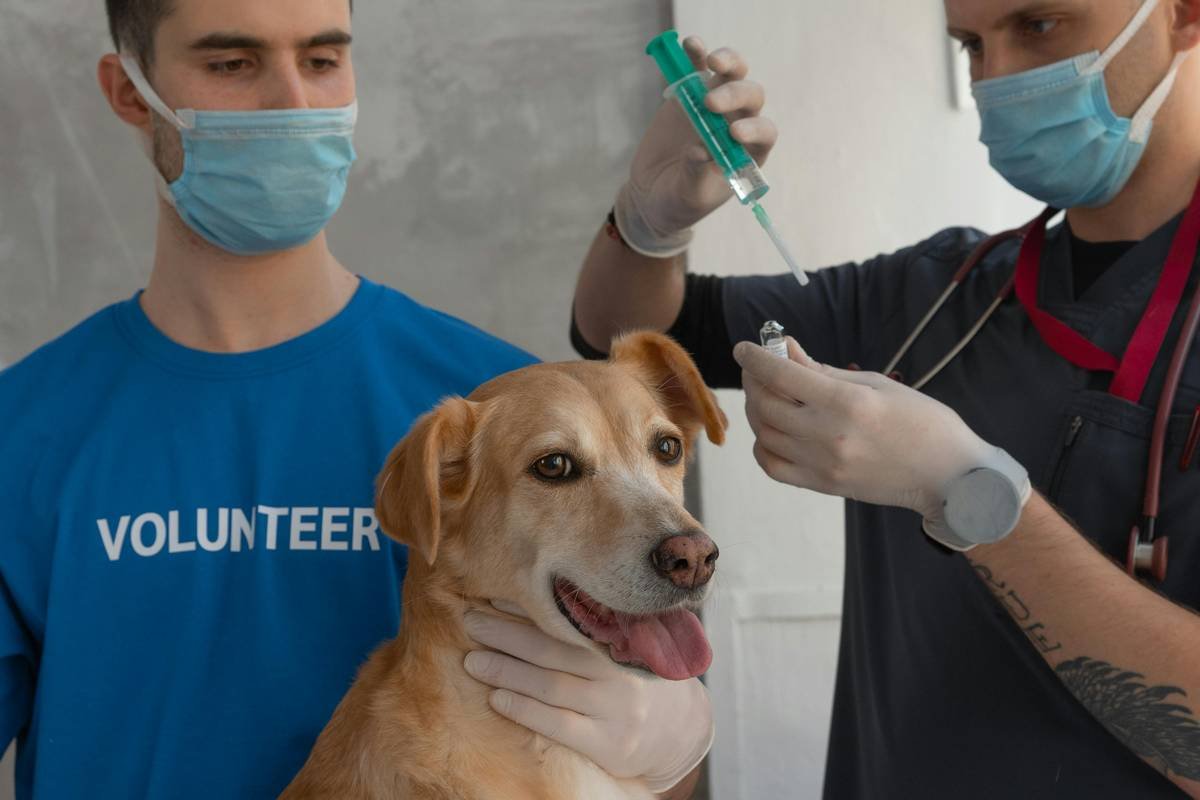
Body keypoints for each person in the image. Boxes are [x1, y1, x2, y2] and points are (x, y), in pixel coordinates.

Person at [0, 1, 737, 797]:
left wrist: (667, 758)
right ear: (130, 91)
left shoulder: (509, 410)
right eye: (231, 64)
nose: (294, 102)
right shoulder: (23, 429)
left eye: (322, 60)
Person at [561, 0, 1200, 797]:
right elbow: (622, 339)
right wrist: (650, 224)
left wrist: (968, 496)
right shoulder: (940, 294)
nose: (994, 75)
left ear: (1180, 15)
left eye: (1039, 24)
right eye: (971, 43)